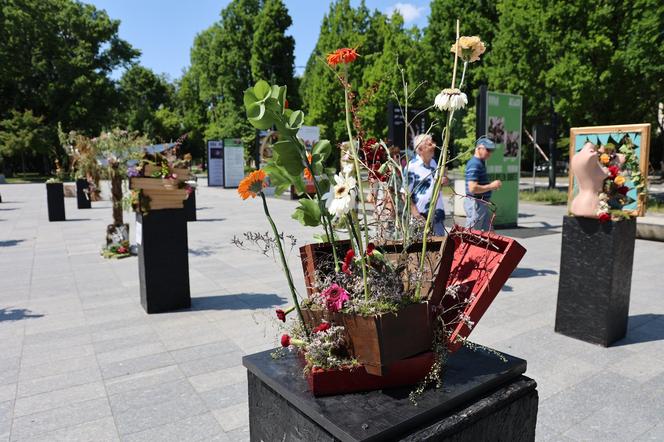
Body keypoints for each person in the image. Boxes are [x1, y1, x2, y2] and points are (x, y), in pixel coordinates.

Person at [406, 134, 448, 235]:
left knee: (439, 247)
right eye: (429, 144)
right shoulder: (411, 167)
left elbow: (439, 185)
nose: (434, 146)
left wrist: (444, 181)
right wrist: (417, 215)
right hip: (421, 218)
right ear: (420, 149)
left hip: (437, 215)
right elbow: (405, 194)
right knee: (421, 248)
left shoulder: (435, 163)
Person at [464, 136, 502, 230]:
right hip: (476, 203)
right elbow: (472, 188)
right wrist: (491, 186)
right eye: (488, 150)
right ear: (479, 148)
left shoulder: (479, 163)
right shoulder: (474, 164)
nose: (490, 153)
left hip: (481, 203)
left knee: (488, 234)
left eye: (491, 151)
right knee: (472, 234)